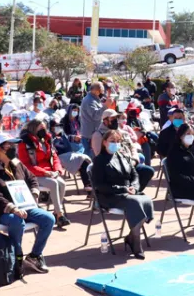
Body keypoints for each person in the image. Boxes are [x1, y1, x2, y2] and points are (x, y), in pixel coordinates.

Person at [0, 133, 55, 274]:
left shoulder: (16, 163)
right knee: (17, 221)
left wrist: (34, 194)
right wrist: (13, 209)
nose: (14, 148)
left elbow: (32, 178)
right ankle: (16, 258)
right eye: (9, 145)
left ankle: (35, 256)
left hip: (25, 206)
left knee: (49, 219)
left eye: (14, 145)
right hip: (1, 212)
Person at [93, 129, 154, 258]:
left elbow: (135, 175)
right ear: (104, 142)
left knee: (146, 200)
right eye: (112, 141)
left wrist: (134, 187)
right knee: (135, 202)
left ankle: (131, 237)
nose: (116, 143)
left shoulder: (122, 156)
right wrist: (122, 189)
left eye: (118, 141)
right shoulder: (100, 160)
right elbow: (99, 185)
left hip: (127, 192)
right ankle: (136, 243)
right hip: (109, 195)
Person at [17, 118, 71, 228]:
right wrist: (44, 172)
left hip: (50, 172)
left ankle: (56, 213)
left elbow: (54, 157)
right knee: (54, 183)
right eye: (41, 128)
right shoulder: (25, 143)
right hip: (33, 174)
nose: (44, 130)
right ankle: (60, 214)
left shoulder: (46, 140)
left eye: (44, 128)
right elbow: (25, 165)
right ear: (33, 129)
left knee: (62, 183)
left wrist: (57, 170)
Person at [92, 110, 154, 188]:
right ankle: (124, 193)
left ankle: (134, 191)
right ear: (105, 121)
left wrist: (134, 160)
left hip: (129, 163)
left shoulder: (123, 133)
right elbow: (99, 154)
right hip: (111, 167)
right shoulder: (98, 135)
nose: (115, 120)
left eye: (116, 118)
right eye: (112, 118)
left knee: (148, 171)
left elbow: (132, 147)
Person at [50, 119, 92, 193]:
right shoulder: (50, 136)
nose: (58, 127)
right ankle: (88, 185)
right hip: (60, 157)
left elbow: (68, 137)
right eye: (56, 126)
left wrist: (75, 138)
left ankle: (88, 185)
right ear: (52, 127)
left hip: (69, 154)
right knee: (82, 160)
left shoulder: (60, 133)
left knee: (85, 161)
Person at [80, 82, 112, 159]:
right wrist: (105, 106)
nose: (103, 93)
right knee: (89, 158)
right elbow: (95, 116)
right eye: (102, 91)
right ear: (96, 91)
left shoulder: (95, 99)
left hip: (93, 132)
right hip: (90, 135)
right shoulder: (89, 101)